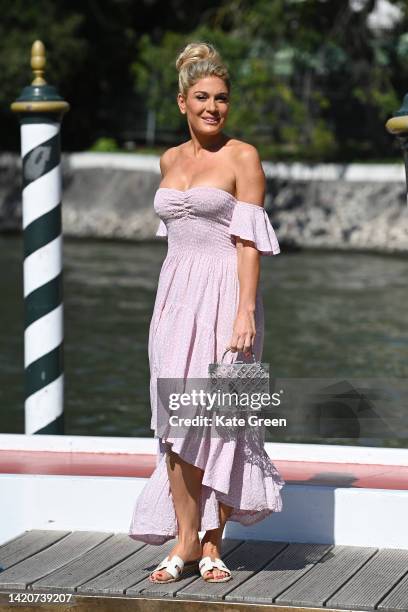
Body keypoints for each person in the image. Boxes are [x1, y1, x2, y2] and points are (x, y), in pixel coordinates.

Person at [129, 40, 285, 584]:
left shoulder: (242, 156)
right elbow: (175, 236)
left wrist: (245, 312)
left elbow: (248, 243)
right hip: (174, 299)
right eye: (202, 97)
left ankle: (215, 544)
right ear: (182, 102)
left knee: (222, 419)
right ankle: (185, 538)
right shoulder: (169, 159)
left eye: (221, 98)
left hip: (226, 298)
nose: (213, 108)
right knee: (177, 422)